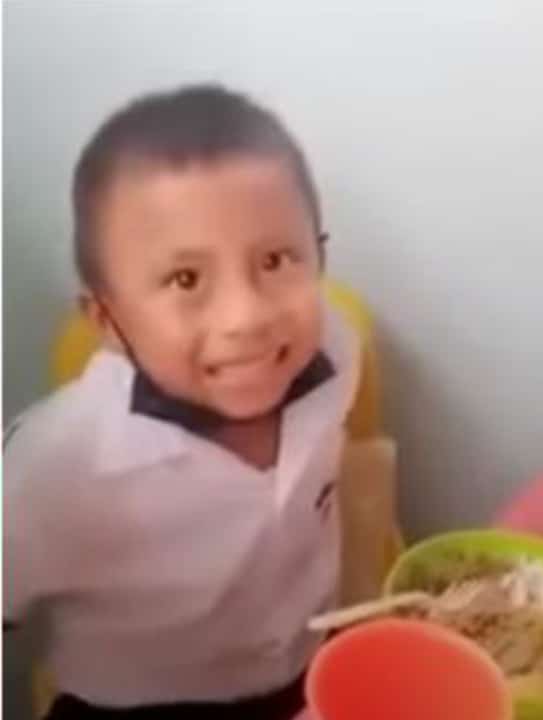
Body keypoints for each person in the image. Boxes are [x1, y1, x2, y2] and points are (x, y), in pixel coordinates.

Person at [3, 84, 361, 720]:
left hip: (310, 666)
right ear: (107, 319)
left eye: (277, 259)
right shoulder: (52, 468)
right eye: (185, 279)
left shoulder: (336, 352)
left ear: (320, 256)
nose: (247, 317)